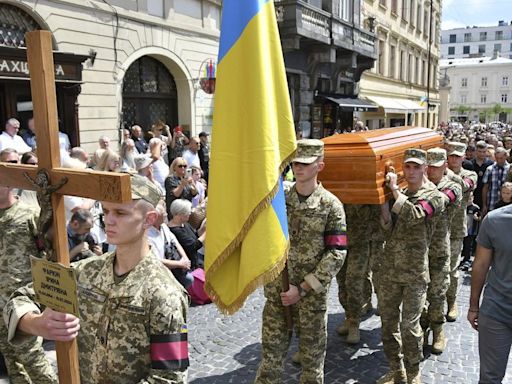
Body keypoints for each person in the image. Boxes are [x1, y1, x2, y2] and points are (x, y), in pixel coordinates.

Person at [3, 175, 189, 383]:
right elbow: (20, 297)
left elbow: (169, 378)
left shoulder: (165, 293)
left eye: (120, 213)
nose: (108, 220)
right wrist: (36, 324)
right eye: (106, 211)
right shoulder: (87, 271)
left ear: (149, 219)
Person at [254, 139, 347, 384]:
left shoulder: (331, 205)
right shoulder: (279, 200)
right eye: (295, 162)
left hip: (311, 300)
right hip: (277, 295)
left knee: (311, 369)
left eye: (305, 163)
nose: (299, 167)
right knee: (270, 365)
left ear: (320, 166)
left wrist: (303, 289)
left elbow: (337, 253)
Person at [378, 149, 445, 384]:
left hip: (415, 273)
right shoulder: (401, 193)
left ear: (425, 168)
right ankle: (396, 371)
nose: (412, 171)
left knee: (410, 327)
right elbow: (388, 229)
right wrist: (383, 203)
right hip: (390, 271)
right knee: (387, 325)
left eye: (417, 167)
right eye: (408, 167)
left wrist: (394, 190)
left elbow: (415, 214)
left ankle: (413, 372)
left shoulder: (434, 196)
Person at [0, 166, 58, 383]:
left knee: (32, 358)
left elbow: (48, 251)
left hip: (20, 300)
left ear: (8, 185)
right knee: (11, 359)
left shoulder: (28, 215)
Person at [468, 201, 512, 384]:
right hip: (497, 311)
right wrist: (473, 306)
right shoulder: (495, 220)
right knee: (490, 379)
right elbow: (480, 265)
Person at [423, 148, 462, 354]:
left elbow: (439, 201)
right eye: (428, 167)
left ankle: (438, 330)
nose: (431, 171)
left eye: (436, 168)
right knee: (419, 297)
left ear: (445, 167)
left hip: (439, 251)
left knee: (437, 294)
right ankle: (421, 331)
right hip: (418, 252)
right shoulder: (417, 187)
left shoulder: (452, 187)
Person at [335, 204, 383, 345]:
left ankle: (355, 323)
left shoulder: (365, 193)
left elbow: (376, 216)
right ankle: (348, 317)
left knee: (354, 282)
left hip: (361, 242)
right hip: (339, 240)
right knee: (342, 282)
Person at [445, 142, 478, 322]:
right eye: (452, 156)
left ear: (464, 157)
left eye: (458, 156)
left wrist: (449, 174)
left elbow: (467, 185)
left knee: (452, 269)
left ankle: (451, 302)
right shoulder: (437, 173)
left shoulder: (469, 174)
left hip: (456, 229)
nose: (455, 159)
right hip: (436, 230)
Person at [148, 201, 194, 289]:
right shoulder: (147, 235)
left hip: (174, 268)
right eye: (163, 213)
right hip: (159, 272)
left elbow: (176, 242)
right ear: (154, 217)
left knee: (189, 279)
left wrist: (185, 259)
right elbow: (157, 260)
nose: (166, 214)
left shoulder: (164, 227)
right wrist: (180, 264)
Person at [168, 199, 206, 270]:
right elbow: (193, 246)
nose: (190, 214)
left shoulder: (185, 224)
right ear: (180, 215)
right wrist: (205, 234)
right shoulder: (175, 231)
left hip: (195, 260)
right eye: (188, 212)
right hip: (188, 267)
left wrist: (203, 229)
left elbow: (195, 236)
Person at [463, 141, 493, 210]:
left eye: (484, 152)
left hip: (486, 195)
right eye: (480, 151)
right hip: (473, 194)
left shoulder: (490, 164)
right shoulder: (470, 164)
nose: (482, 154)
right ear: (476, 151)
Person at [481, 147, 510, 215]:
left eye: (501, 158)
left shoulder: (510, 169)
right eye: (497, 158)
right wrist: (484, 205)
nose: (499, 160)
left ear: (505, 156)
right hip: (492, 203)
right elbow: (485, 188)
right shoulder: (490, 169)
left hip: (507, 204)